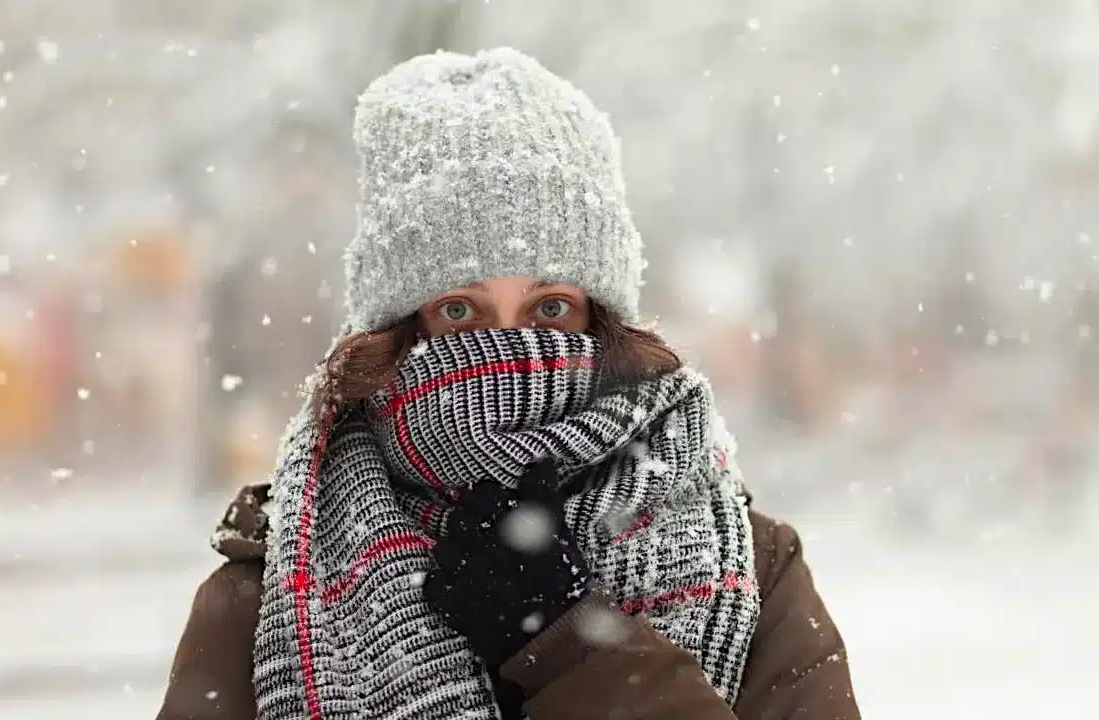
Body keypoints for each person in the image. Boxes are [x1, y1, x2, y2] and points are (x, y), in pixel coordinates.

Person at [158, 48, 859, 720]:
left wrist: (570, 646)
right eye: (458, 310)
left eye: (549, 308)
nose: (506, 350)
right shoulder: (273, 589)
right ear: (400, 330)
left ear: (601, 324)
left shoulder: (751, 567)